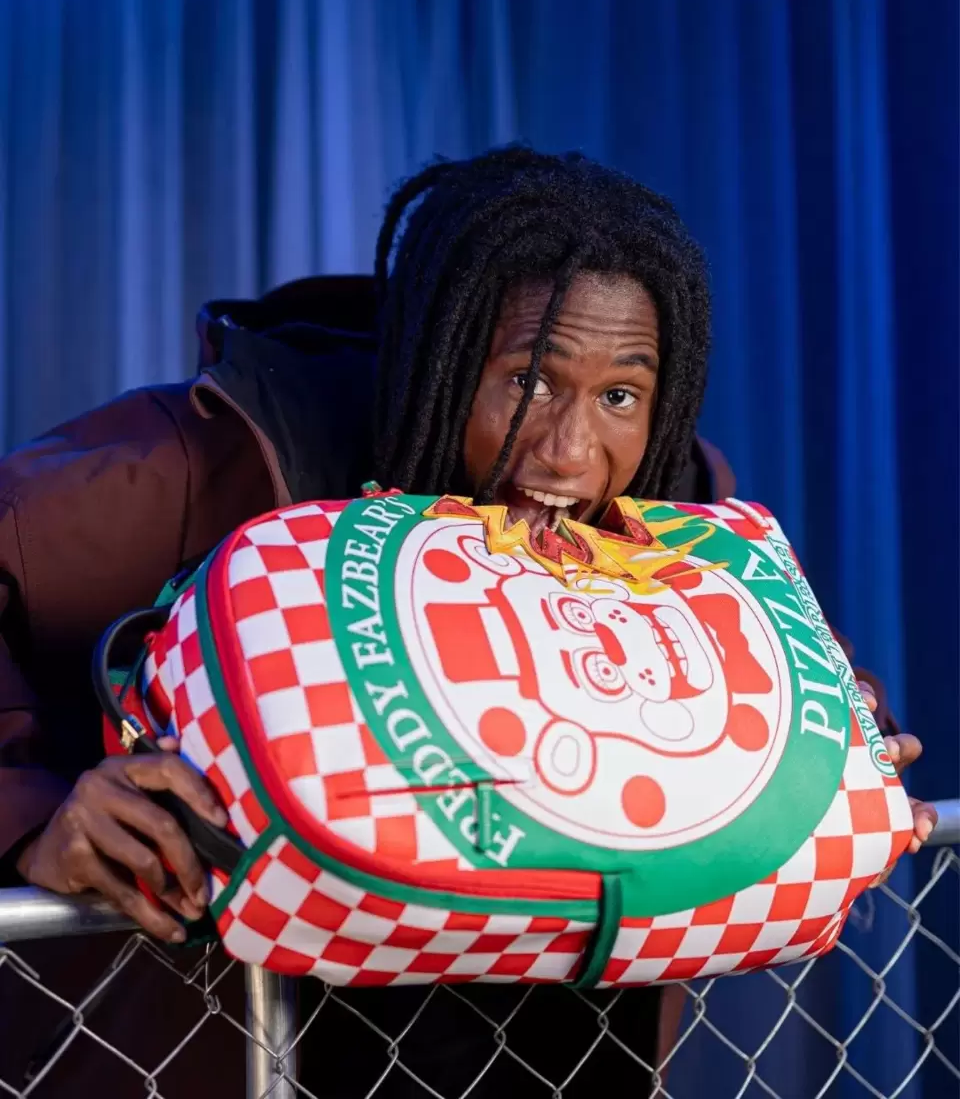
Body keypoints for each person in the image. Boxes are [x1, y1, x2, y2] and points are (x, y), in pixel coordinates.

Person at [0, 147, 935, 1097]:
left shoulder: (674, 495)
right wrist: (34, 819)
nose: (570, 452)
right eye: (530, 381)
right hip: (263, 1053)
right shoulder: (213, 455)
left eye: (619, 395)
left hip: (570, 1057)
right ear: (438, 363)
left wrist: (838, 731)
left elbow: (760, 692)